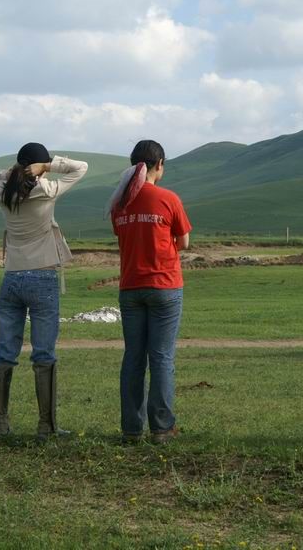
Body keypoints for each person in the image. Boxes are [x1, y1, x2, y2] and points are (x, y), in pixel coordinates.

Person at [0, 143, 88, 440]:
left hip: (11, 277)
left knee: (5, 349)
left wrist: (15, 170)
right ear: (38, 166)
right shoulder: (47, 190)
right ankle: (46, 425)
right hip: (42, 275)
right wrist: (49, 166)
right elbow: (81, 167)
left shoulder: (2, 193)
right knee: (43, 352)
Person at [110, 140, 191, 444]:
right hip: (164, 286)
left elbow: (122, 236)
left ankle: (131, 429)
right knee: (161, 357)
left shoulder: (119, 203)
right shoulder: (168, 198)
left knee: (133, 357)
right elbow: (183, 242)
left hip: (130, 287)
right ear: (159, 165)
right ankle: (162, 428)